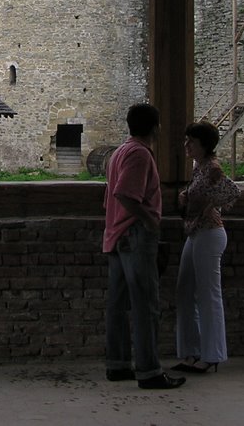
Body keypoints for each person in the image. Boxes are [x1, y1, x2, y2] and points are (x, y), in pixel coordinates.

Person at [104, 103, 186, 390]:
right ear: (155, 127)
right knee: (145, 305)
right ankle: (149, 371)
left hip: (116, 234)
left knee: (117, 305)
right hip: (134, 235)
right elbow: (125, 194)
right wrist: (150, 220)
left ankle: (117, 365)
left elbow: (112, 197)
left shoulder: (119, 152)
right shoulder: (139, 154)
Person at [173, 120, 241, 374]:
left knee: (207, 294)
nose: (186, 144)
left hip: (209, 233)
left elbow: (233, 192)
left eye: (191, 141)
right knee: (185, 291)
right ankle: (191, 352)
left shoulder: (212, 168)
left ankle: (212, 354)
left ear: (204, 145)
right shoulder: (199, 168)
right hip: (195, 232)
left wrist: (212, 206)